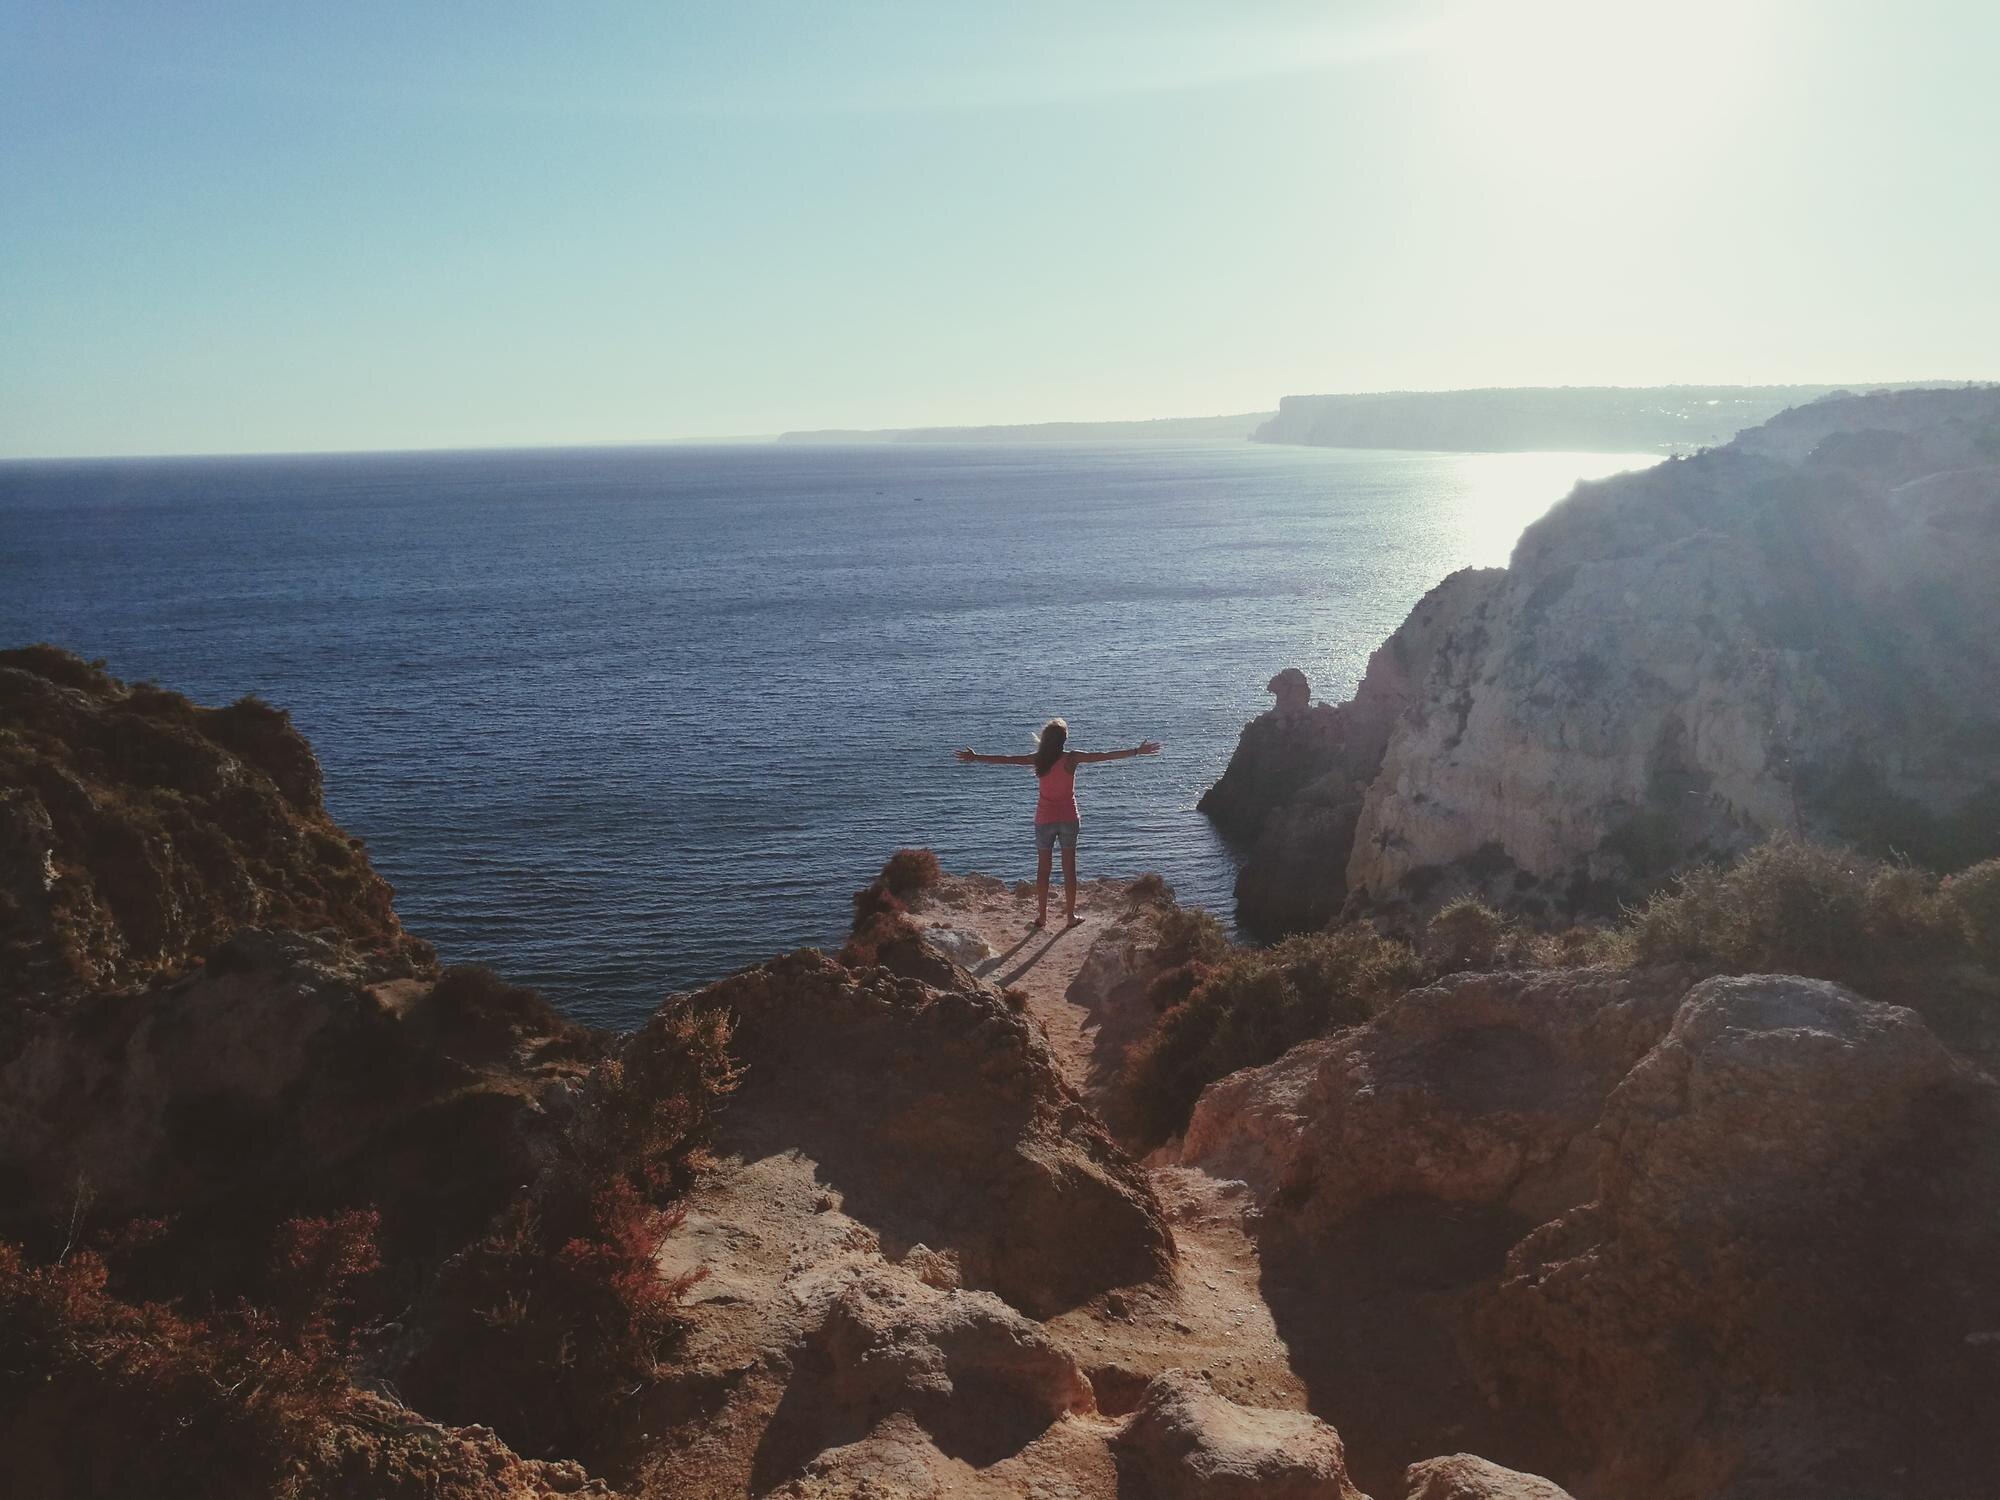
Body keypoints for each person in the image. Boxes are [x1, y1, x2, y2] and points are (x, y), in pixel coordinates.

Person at [956, 718, 1161, 929]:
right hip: (1069, 818)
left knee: (1043, 870)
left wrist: (976, 757)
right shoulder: (1072, 759)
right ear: (1064, 740)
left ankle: (1042, 918)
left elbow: (1008, 759)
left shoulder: (1039, 759)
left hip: (1044, 819)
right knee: (1069, 869)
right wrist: (1137, 751)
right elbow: (1104, 756)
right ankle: (1070, 917)